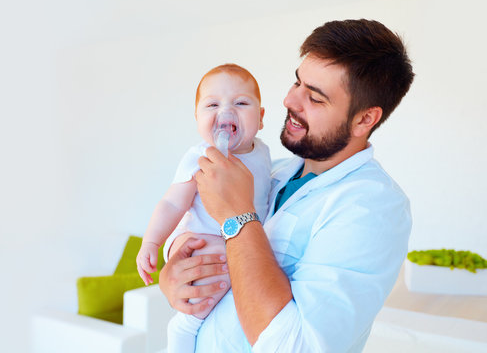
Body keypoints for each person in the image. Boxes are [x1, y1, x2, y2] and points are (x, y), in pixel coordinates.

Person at [159, 19, 415, 352]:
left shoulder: (372, 208)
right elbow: (196, 225)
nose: (290, 101)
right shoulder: (272, 173)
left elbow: (297, 347)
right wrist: (174, 272)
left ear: (365, 119)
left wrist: (239, 217)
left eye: (316, 98)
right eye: (297, 82)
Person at [136, 63, 272, 353]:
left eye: (241, 103)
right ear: (197, 118)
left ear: (260, 118)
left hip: (245, 241)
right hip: (207, 239)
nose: (226, 112)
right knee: (207, 290)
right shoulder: (199, 156)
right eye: (212, 104)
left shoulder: (262, 152)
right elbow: (173, 202)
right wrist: (152, 241)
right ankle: (184, 329)